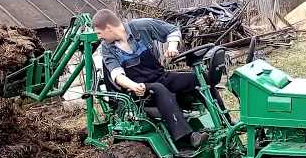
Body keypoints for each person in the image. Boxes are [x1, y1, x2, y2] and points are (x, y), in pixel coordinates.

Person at [93, 9, 229, 148]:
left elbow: (172, 30)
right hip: (140, 88)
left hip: (159, 75)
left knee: (196, 79)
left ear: (109, 28)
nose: (99, 37)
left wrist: (172, 46)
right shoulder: (107, 48)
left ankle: (225, 121)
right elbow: (117, 75)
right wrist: (133, 86)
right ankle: (188, 138)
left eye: (99, 33)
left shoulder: (141, 27)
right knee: (159, 89)